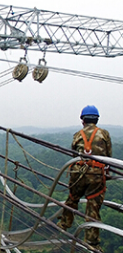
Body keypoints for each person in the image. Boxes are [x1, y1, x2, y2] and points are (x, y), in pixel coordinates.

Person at [57, 105, 112, 251]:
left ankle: (64, 223)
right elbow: (108, 156)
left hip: (78, 171)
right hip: (96, 173)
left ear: (83, 120)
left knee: (72, 197)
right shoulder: (104, 134)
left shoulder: (77, 134)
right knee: (92, 206)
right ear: (97, 119)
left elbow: (74, 154)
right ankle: (92, 242)